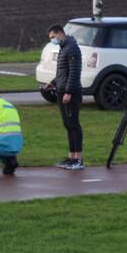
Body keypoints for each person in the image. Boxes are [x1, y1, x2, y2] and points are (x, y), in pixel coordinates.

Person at [48, 23, 84, 170]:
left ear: (59, 33)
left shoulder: (72, 48)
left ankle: (78, 159)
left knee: (74, 124)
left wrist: (68, 92)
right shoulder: (63, 48)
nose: (52, 40)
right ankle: (71, 156)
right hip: (62, 90)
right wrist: (52, 83)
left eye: (52, 37)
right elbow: (63, 72)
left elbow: (74, 72)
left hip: (72, 92)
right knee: (67, 125)